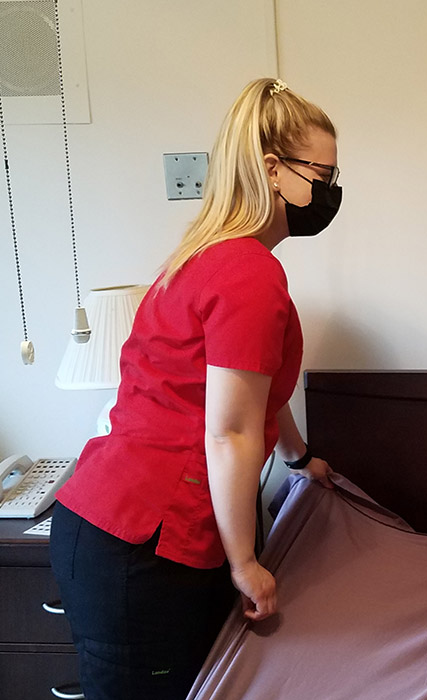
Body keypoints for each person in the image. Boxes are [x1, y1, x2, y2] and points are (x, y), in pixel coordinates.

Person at [49, 77, 341, 700]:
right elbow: (230, 430)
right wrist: (245, 564)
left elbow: (256, 393)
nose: (331, 191)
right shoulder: (249, 275)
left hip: (106, 527)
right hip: (139, 542)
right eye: (323, 174)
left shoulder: (206, 255)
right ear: (273, 170)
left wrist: (299, 460)